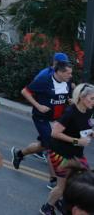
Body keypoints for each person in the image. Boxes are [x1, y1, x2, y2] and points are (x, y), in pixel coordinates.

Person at [11, 61, 73, 190]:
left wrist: (69, 100)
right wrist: (38, 106)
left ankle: (19, 154)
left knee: (43, 145)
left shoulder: (67, 82)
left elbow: (65, 97)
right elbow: (25, 92)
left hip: (57, 120)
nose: (70, 75)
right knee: (52, 146)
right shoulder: (44, 80)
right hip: (42, 118)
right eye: (68, 73)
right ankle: (53, 179)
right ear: (59, 72)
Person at [39, 83, 94, 215]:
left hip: (76, 152)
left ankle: (64, 203)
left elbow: (86, 126)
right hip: (60, 153)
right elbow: (55, 133)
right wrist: (77, 141)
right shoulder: (70, 112)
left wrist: (91, 133)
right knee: (62, 186)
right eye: (92, 98)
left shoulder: (89, 111)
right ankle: (47, 207)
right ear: (82, 96)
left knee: (84, 179)